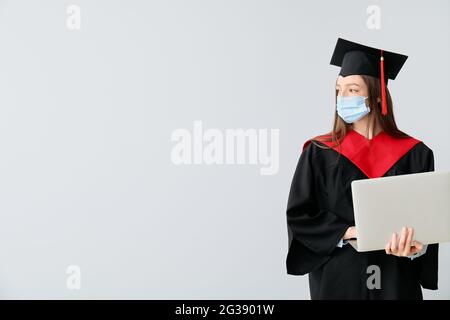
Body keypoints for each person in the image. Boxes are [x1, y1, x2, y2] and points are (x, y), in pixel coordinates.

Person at [285, 38, 439, 300]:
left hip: (396, 280)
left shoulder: (416, 154)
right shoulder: (319, 152)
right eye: (339, 90)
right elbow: (300, 217)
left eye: (353, 89)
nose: (342, 97)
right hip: (338, 281)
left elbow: (427, 226)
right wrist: (351, 232)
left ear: (377, 94)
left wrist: (415, 248)